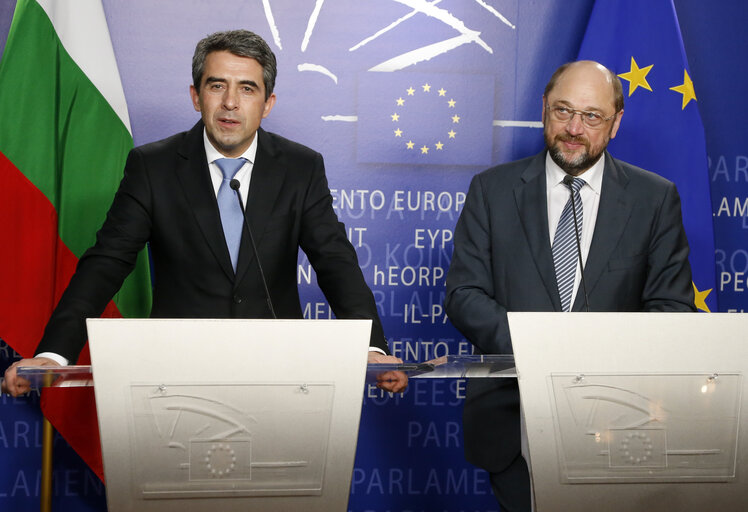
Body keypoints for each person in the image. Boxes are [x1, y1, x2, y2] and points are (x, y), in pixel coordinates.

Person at [4, 29, 405, 395]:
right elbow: (105, 263)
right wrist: (54, 355)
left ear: (268, 104)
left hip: (277, 374)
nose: (230, 103)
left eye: (247, 89)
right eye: (217, 86)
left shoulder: (300, 168)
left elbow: (334, 260)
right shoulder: (154, 166)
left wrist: (370, 346)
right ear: (196, 96)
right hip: (175, 375)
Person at [444, 60, 695, 511]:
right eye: (563, 111)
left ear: (616, 123)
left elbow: (672, 310)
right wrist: (545, 350)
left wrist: (594, 355)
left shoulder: (654, 199)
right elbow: (465, 296)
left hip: (623, 421)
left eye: (592, 116)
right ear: (543, 109)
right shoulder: (492, 190)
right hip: (513, 418)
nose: (574, 128)